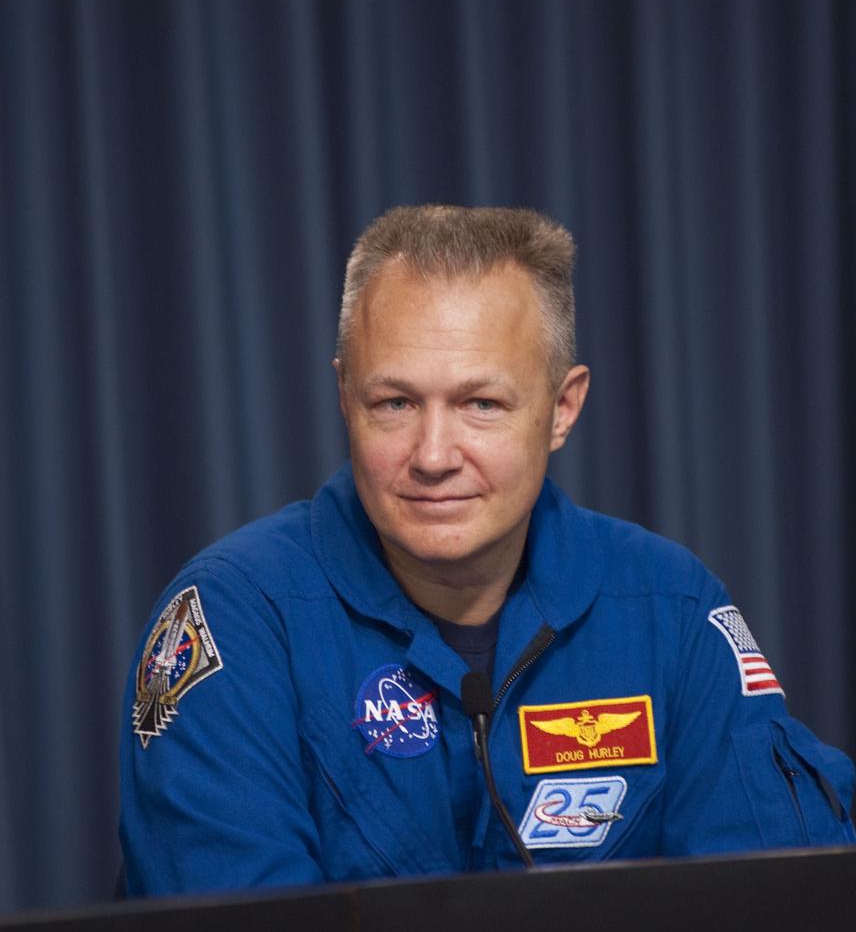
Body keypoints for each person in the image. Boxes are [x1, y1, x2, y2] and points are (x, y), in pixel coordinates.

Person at [120, 205, 855, 896]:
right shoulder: (237, 619)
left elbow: (775, 926)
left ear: (562, 408)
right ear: (345, 396)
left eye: (482, 404)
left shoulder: (672, 610)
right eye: (395, 403)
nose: (434, 456)